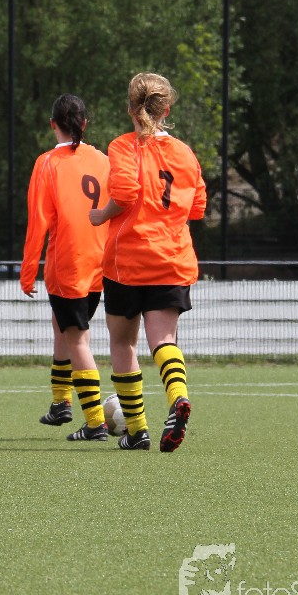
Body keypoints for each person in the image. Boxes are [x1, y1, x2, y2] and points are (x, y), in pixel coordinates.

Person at [89, 72, 206, 452]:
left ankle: (137, 431)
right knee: (164, 341)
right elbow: (198, 207)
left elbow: (125, 192)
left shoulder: (124, 146)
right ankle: (178, 397)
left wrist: (103, 214)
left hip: (128, 261)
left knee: (123, 343)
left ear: (130, 108)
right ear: (166, 109)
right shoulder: (185, 153)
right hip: (172, 259)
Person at [20, 95, 110, 441]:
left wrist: (28, 270)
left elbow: (38, 222)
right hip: (99, 260)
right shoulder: (103, 159)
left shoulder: (47, 163)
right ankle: (60, 403)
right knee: (64, 327)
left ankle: (96, 423)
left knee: (77, 339)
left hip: (68, 262)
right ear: (85, 124)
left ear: (52, 124)